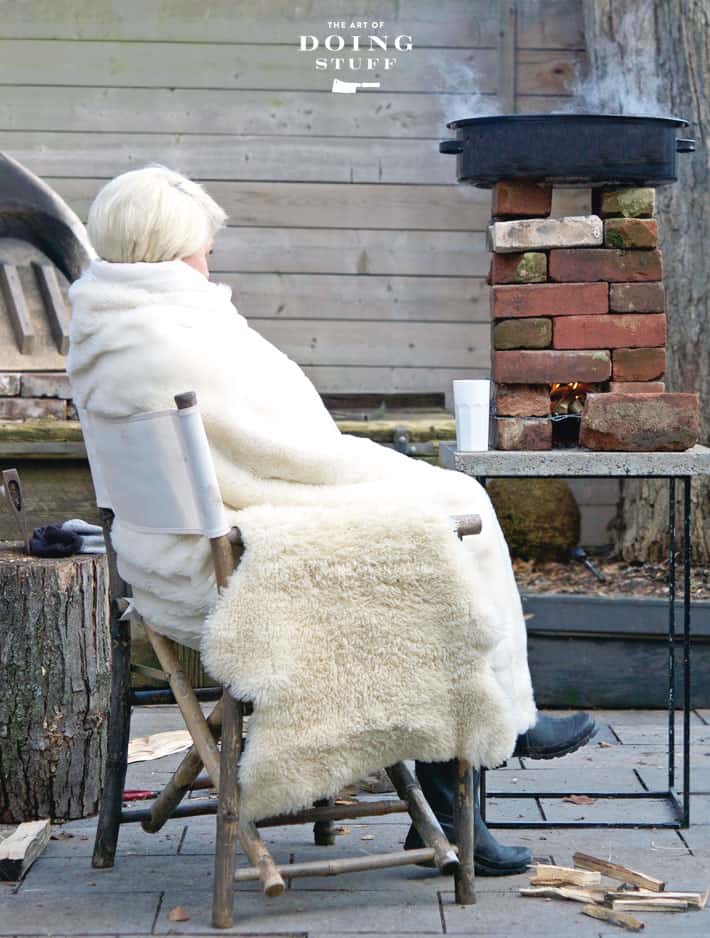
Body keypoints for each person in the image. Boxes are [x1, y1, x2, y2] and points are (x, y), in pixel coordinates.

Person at [66, 165, 595, 876]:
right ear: (170, 249)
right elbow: (289, 454)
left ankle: (468, 775)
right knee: (443, 520)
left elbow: (253, 451)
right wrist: (370, 471)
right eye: (201, 247)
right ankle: (487, 749)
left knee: (429, 521)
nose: (207, 260)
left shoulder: (108, 327)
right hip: (219, 574)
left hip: (168, 556)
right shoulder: (176, 334)